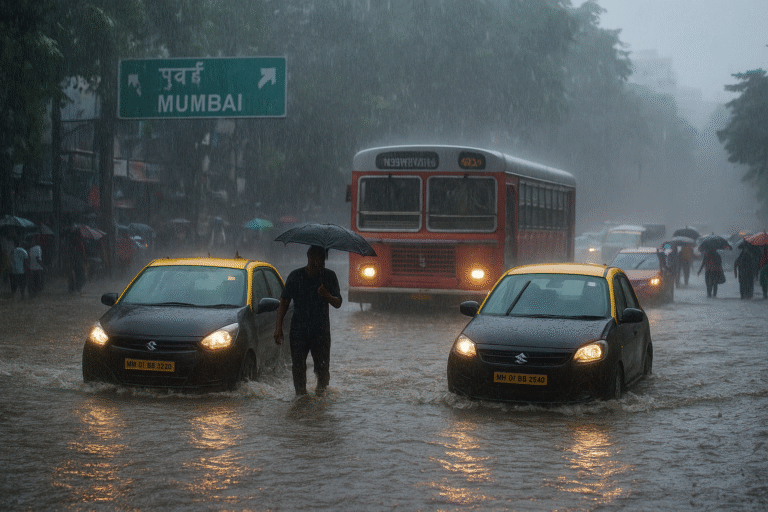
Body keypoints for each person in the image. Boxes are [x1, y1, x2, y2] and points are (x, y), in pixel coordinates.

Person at [274, 245, 342, 396]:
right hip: (298, 330)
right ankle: (301, 398)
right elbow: (284, 302)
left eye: (323, 258)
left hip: (321, 331)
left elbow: (338, 303)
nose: (322, 262)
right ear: (309, 257)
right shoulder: (295, 276)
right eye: (318, 258)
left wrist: (327, 295)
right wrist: (278, 327)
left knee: (322, 368)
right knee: (298, 366)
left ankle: (321, 395)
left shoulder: (329, 276)